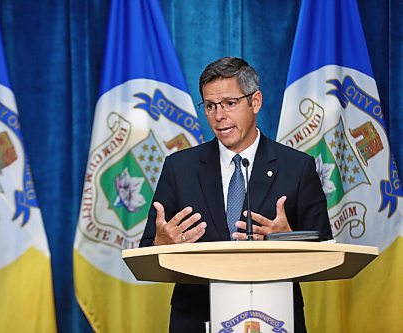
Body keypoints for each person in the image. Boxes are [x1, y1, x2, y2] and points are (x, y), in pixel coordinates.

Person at [139, 57, 333, 333]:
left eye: (230, 104)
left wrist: (291, 239)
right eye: (210, 106)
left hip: (275, 316)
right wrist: (159, 245)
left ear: (255, 102)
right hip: (196, 317)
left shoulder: (297, 167)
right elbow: (147, 250)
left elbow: (326, 247)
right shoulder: (179, 168)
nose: (219, 116)